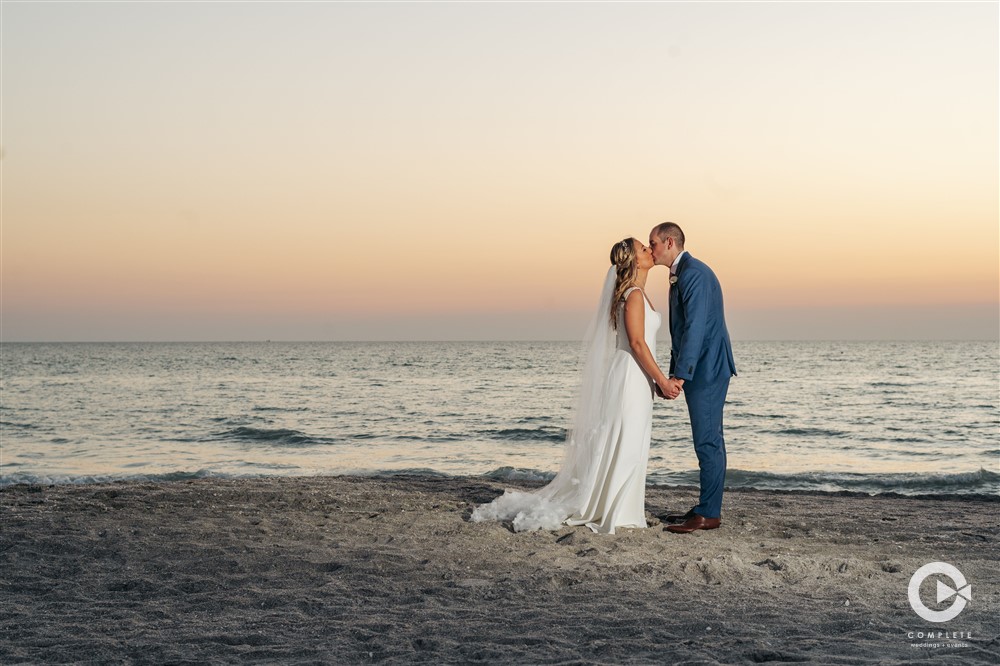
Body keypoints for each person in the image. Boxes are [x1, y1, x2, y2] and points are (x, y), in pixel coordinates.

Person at [471, 238, 670, 534]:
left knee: (631, 438)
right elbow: (638, 344)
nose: (649, 251)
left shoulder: (637, 294)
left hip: (636, 375)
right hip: (630, 375)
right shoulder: (634, 295)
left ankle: (624, 506)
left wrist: (653, 379)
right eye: (643, 249)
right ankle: (614, 509)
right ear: (634, 261)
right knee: (626, 440)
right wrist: (662, 380)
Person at [648, 222, 737, 534]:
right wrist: (676, 372)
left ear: (669, 242)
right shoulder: (684, 272)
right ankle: (706, 506)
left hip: (706, 368)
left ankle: (709, 514)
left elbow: (695, 327)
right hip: (702, 366)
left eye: (653, 243)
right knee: (710, 439)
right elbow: (684, 329)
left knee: (707, 440)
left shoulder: (693, 273)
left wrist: (680, 377)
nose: (650, 249)